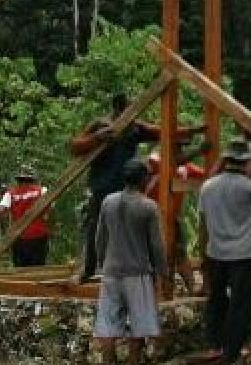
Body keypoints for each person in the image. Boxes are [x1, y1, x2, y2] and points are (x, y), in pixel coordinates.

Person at [68, 93, 202, 283]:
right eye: (131, 108)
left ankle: (129, 269)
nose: (135, 113)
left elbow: (164, 131)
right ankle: (88, 269)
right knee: (95, 228)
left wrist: (195, 130)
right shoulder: (101, 124)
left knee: (130, 230)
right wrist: (96, 138)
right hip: (102, 186)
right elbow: (74, 146)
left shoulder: (135, 128)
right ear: (119, 108)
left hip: (127, 188)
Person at [198, 141, 251, 365]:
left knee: (216, 299)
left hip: (216, 253)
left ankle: (215, 344)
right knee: (240, 304)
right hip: (242, 255)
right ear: (246, 162)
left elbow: (202, 224)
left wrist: (203, 253)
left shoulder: (208, 187)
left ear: (225, 160)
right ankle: (232, 351)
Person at [93, 158, 166, 365]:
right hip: (137, 273)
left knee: (107, 327)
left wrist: (101, 263)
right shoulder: (148, 207)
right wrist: (161, 273)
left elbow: (100, 238)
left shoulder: (108, 202)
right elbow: (156, 245)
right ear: (144, 179)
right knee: (138, 327)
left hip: (112, 271)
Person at [145, 139, 209, 294]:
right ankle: (156, 290)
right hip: (151, 218)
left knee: (180, 254)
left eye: (182, 148)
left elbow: (207, 175)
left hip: (173, 218)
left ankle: (192, 287)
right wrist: (197, 151)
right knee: (153, 254)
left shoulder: (185, 168)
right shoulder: (153, 160)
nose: (181, 151)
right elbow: (168, 164)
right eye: (178, 147)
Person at [0, 165, 51, 267]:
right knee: (38, 269)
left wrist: (7, 229)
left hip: (19, 237)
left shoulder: (10, 194)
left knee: (19, 269)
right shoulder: (42, 190)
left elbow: (1, 211)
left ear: (18, 179)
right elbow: (50, 209)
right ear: (33, 179)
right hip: (39, 236)